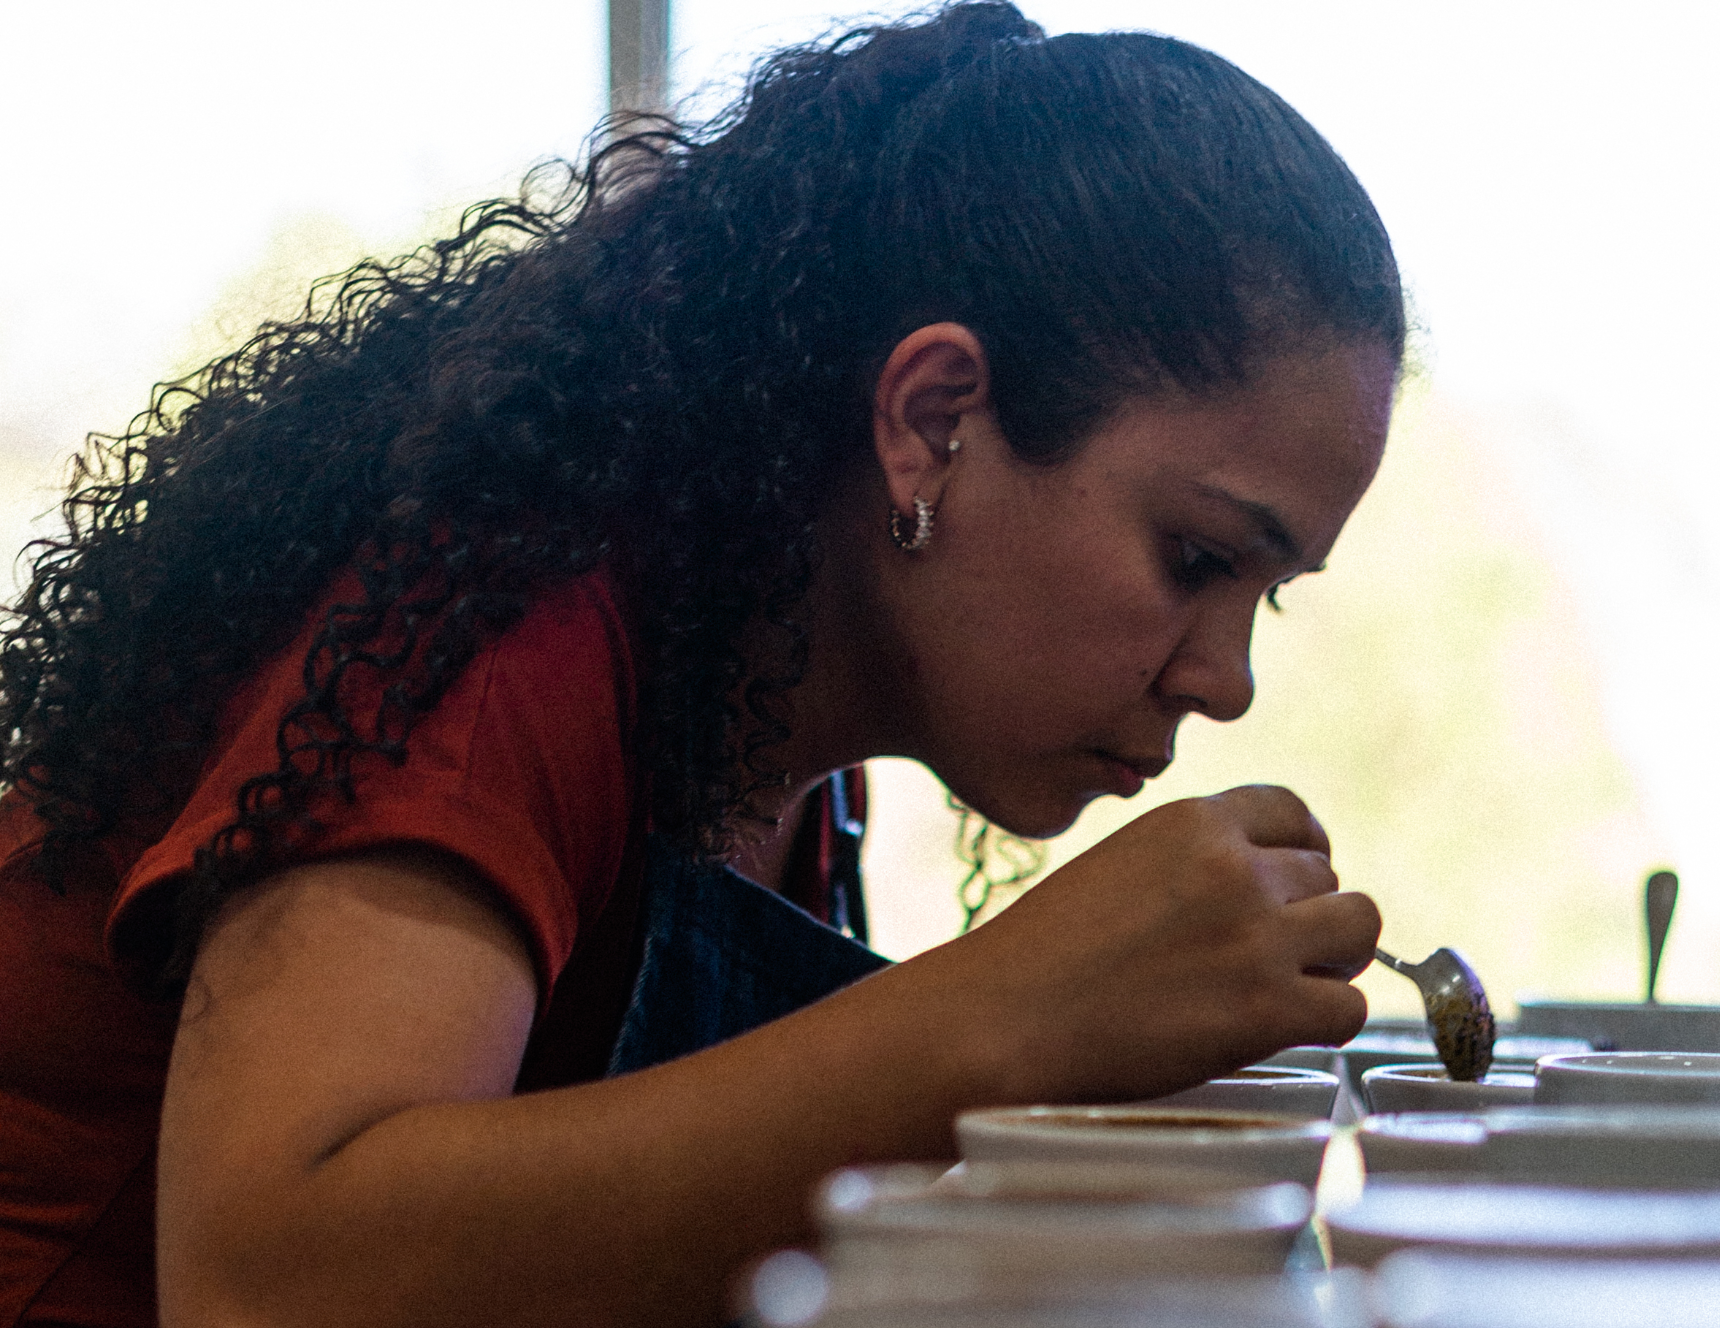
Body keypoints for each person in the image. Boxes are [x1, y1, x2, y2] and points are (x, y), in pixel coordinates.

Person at [0, 3, 1403, 1324]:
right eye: (1202, 559)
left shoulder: (785, 748)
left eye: (1267, 600)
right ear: (932, 420)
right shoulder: (507, 624)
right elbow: (262, 1283)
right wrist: (1007, 1017)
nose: (1223, 682)